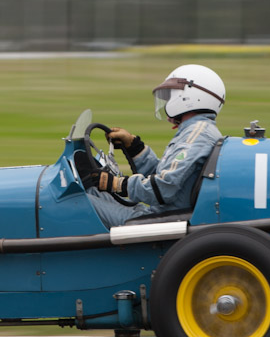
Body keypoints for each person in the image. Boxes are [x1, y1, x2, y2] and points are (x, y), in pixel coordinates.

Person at [75, 64, 226, 228]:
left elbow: (164, 188)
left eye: (170, 96)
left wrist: (118, 184)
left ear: (190, 96)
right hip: (163, 212)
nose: (167, 102)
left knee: (75, 200)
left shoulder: (197, 135)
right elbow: (166, 177)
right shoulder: (194, 131)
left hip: (162, 219)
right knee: (91, 192)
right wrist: (135, 148)